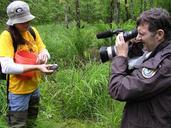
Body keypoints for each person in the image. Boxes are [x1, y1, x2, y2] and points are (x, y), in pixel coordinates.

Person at [109, 8, 171, 128]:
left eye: (142, 34)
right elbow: (138, 70)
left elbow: (118, 88)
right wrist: (136, 47)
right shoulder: (160, 52)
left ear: (159, 34)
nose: (138, 37)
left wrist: (121, 56)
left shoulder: (163, 65)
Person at [0, 1, 55, 127]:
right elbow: (6, 67)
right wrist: (37, 67)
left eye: (27, 19)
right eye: (21, 21)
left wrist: (43, 56)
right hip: (18, 92)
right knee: (18, 125)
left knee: (31, 122)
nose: (26, 23)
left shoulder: (32, 31)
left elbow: (43, 49)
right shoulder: (6, 36)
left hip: (35, 87)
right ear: (13, 21)